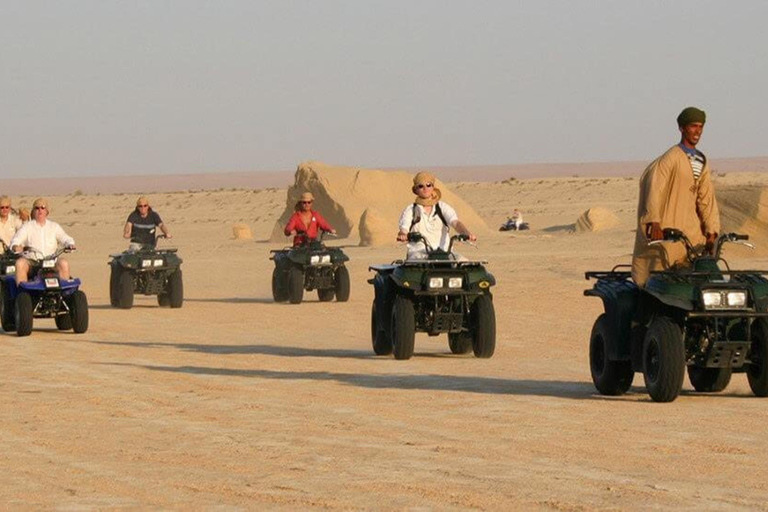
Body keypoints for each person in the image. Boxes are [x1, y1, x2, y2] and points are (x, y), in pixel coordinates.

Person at [631, 106, 720, 287]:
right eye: (693, 126)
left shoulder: (701, 160)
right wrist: (654, 221)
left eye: (701, 127)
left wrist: (712, 230)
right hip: (668, 230)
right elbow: (654, 188)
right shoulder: (670, 158)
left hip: (692, 232)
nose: (698, 131)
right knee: (661, 279)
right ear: (682, 128)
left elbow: (706, 198)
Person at [397, 172, 476, 259]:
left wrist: (466, 233)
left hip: (444, 253)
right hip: (419, 254)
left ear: (433, 187)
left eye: (428, 185)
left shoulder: (442, 207)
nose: (425, 188)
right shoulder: (411, 210)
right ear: (416, 190)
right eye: (420, 186)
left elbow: (455, 222)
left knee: (463, 262)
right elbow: (404, 227)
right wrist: (403, 234)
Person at [10, 197, 76, 284]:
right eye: (37, 208)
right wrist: (16, 247)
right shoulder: (27, 227)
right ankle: (22, 294)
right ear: (33, 211)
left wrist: (70, 244)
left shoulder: (54, 226)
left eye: (42, 208)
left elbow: (65, 238)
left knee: (64, 263)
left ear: (47, 211)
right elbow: (16, 240)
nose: (40, 210)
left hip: (51, 261)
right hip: (33, 263)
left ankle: (65, 293)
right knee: (20, 263)